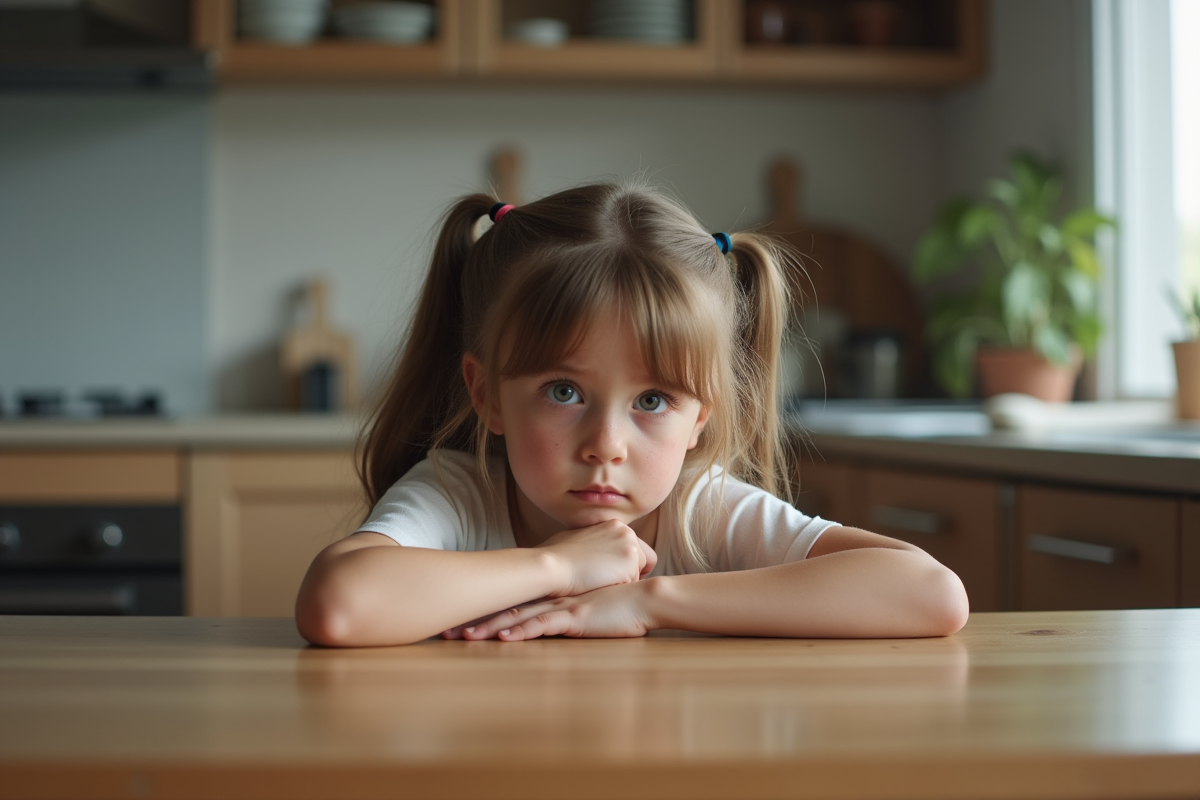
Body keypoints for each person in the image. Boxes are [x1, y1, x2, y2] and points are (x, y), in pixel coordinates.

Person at [295, 182, 969, 647]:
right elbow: (340, 604)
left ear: (700, 419)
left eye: (652, 401)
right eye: (564, 392)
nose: (606, 445)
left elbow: (930, 593)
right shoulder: (458, 492)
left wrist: (649, 601)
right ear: (488, 394)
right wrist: (559, 568)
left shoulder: (702, 511)